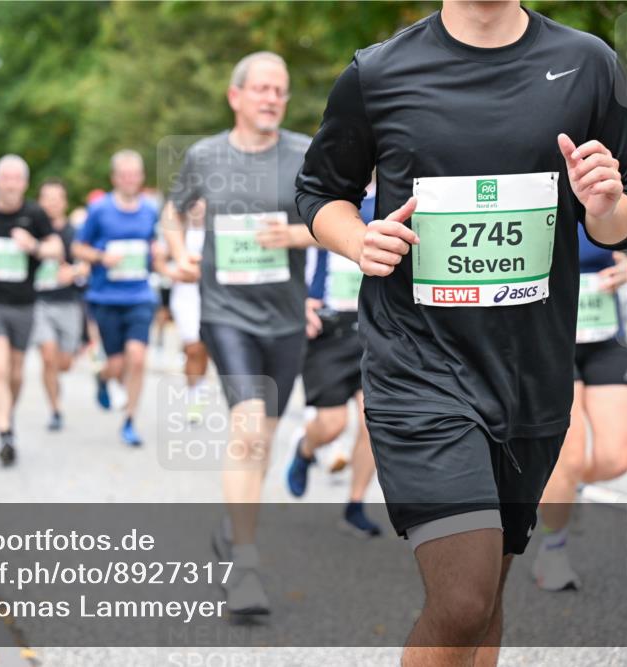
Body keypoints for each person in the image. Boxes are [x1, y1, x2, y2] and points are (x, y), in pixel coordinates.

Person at [295, 2, 627, 663]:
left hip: (532, 376)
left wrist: (604, 206)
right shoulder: (379, 73)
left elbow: (626, 216)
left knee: (486, 597)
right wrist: (358, 239)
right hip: (418, 367)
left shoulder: (588, 64)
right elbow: (320, 192)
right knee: (462, 600)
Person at [166, 51, 316, 615]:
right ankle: (244, 566)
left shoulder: (305, 153)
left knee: (263, 440)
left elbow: (339, 220)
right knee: (248, 429)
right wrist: (179, 253)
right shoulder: (204, 156)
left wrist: (296, 235)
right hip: (226, 313)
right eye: (262, 89)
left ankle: (234, 529)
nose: (272, 98)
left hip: (285, 317)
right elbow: (172, 212)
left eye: (280, 90)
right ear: (235, 96)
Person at [535, 207, 627, 591]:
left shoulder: (609, 187)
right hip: (548, 339)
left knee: (615, 458)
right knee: (570, 455)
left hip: (604, 334)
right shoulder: (530, 180)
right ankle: (553, 549)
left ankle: (560, 489)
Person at [286, 184, 381, 538]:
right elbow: (290, 245)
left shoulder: (397, 191)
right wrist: (298, 301)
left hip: (374, 328)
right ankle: (305, 449)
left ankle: (355, 505)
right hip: (329, 329)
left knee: (374, 422)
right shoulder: (321, 192)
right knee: (332, 424)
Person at [0, 155, 62, 466]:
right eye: (5, 178)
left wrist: (34, 246)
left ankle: (7, 415)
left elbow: (56, 248)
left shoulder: (34, 214)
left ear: (25, 183)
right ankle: (4, 432)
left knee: (16, 373)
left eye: (16, 179)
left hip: (23, 303)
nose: (10, 184)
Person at [73, 150, 160, 447]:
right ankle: (102, 378)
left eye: (134, 174)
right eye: (124, 175)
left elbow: (154, 245)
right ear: (114, 178)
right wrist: (101, 257)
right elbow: (78, 248)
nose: (130, 180)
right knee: (116, 364)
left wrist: (159, 255)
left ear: (141, 177)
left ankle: (130, 420)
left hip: (140, 295)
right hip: (106, 297)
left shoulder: (150, 210)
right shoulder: (99, 210)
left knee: (137, 357)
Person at [31, 179, 88, 431]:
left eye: (57, 198)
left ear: (64, 202)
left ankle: (57, 383)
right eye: (47, 198)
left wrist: (73, 272)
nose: (52, 204)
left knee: (64, 363)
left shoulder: (75, 233)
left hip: (68, 303)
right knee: (47, 356)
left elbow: (86, 264)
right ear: (40, 202)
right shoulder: (31, 231)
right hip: (39, 303)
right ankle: (55, 409)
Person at [161, 199, 210, 424]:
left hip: (211, 297)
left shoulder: (216, 232)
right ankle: (194, 395)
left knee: (204, 348)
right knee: (193, 347)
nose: (197, 208)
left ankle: (200, 385)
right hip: (185, 297)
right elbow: (159, 262)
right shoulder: (177, 234)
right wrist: (174, 274)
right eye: (193, 204)